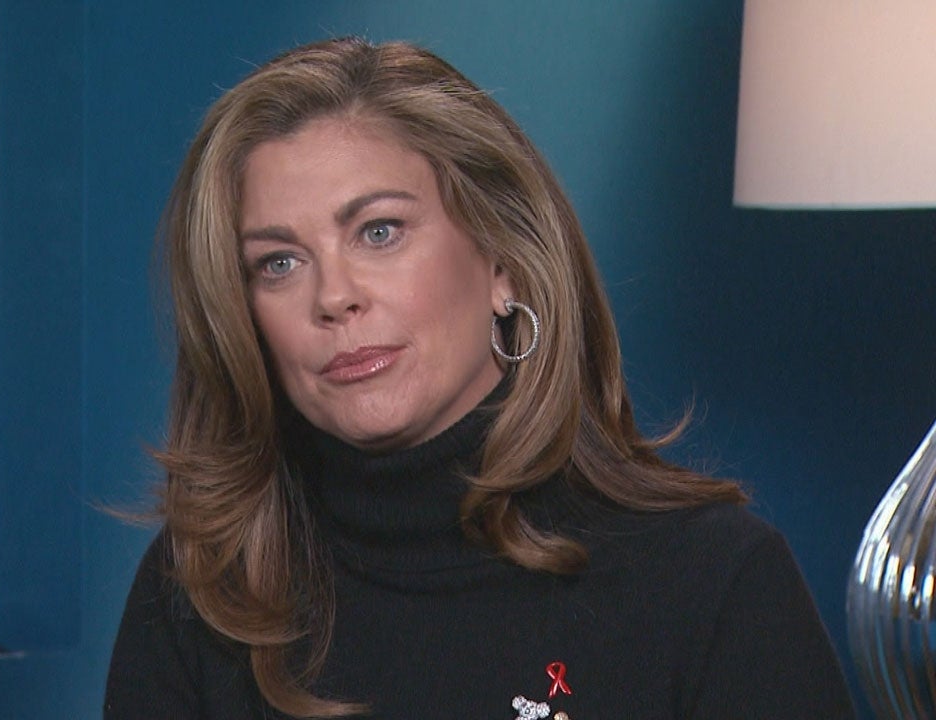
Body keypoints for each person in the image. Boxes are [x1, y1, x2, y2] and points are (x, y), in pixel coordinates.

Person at [104, 37, 854, 719]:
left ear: (502, 262)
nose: (333, 296)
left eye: (379, 231)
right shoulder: (200, 592)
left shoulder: (710, 579)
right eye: (279, 263)